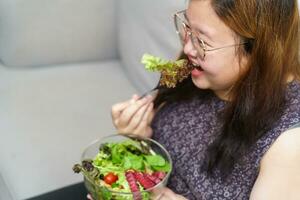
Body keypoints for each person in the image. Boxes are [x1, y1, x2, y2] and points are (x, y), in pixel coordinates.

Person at [110, 0, 300, 199]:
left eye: (202, 40)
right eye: (187, 27)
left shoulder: (290, 143)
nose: (188, 48)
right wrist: (139, 137)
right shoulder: (196, 60)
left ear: (259, 50)